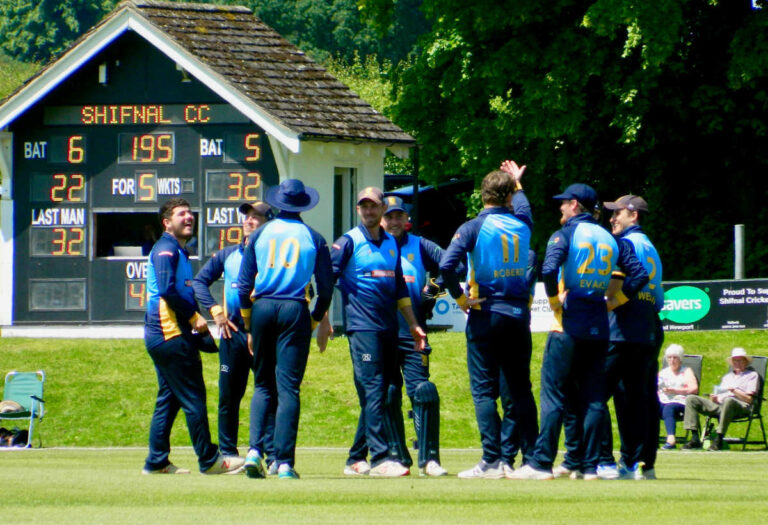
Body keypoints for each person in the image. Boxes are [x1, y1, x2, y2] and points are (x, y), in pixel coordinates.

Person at [510, 183, 648, 481]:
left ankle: (541, 463)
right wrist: (617, 301)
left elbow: (548, 269)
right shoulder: (613, 239)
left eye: (563, 203)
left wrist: (554, 302)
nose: (559, 207)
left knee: (554, 396)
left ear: (575, 205)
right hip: (599, 325)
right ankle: (587, 466)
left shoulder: (566, 233)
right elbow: (640, 274)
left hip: (568, 323)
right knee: (593, 398)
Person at [440, 162, 539, 479]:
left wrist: (460, 299)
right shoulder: (522, 223)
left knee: (484, 392)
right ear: (508, 197)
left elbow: (446, 266)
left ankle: (493, 461)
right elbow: (524, 207)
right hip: (518, 314)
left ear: (481, 195)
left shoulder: (472, 227)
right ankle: (534, 460)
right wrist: (518, 183)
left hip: (486, 313)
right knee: (520, 389)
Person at [236, 179, 334, 479]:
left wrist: (248, 320)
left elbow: (243, 284)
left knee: (263, 384)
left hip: (263, 306)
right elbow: (327, 287)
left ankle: (254, 451)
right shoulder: (313, 237)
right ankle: (284, 462)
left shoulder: (262, 233)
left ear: (279, 202)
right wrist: (315, 318)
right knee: (288, 387)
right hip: (294, 308)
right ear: (304, 204)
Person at [142, 198, 245, 475]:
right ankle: (209, 460)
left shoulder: (179, 251)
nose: (188, 217)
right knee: (194, 397)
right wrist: (193, 317)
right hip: (170, 334)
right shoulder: (166, 249)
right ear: (167, 223)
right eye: (181, 214)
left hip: (166, 335)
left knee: (170, 397)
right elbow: (166, 289)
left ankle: (156, 461)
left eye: (190, 213)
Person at [332, 186, 427, 477]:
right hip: (363, 328)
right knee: (374, 389)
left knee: (378, 392)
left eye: (373, 206)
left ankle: (355, 458)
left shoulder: (390, 244)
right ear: (358, 210)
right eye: (364, 206)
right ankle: (381, 457)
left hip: (388, 328)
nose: (369, 211)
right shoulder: (349, 241)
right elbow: (327, 278)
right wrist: (322, 319)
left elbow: (399, 287)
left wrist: (413, 324)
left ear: (383, 209)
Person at [192, 201, 277, 470]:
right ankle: (228, 451)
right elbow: (198, 283)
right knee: (229, 395)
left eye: (256, 217)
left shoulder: (271, 256)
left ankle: (271, 452)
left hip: (263, 333)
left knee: (269, 393)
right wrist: (215, 311)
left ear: (268, 224)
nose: (249, 221)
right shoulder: (227, 255)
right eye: (247, 217)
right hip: (233, 333)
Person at [596, 194, 665, 480]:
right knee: (640, 398)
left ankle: (603, 461)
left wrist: (609, 301)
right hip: (649, 327)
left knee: (593, 393)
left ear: (633, 215)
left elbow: (613, 285)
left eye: (617, 213)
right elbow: (659, 299)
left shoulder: (623, 244)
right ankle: (641, 464)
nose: (612, 219)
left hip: (623, 326)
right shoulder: (651, 247)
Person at [379, 195, 448, 477]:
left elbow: (452, 265)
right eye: (389, 216)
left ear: (407, 220)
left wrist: (431, 292)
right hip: (381, 331)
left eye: (399, 216)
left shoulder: (420, 245)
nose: (394, 222)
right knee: (386, 392)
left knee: (423, 391)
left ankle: (429, 458)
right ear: (381, 219)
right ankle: (396, 456)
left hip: (414, 332)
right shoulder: (373, 246)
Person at [682, 347, 759, 451]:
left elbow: (749, 399)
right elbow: (719, 395)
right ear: (732, 362)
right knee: (691, 399)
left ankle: (718, 439)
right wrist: (714, 398)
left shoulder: (752, 375)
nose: (737, 363)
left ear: (745, 362)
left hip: (740, 405)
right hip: (721, 404)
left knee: (729, 400)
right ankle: (695, 438)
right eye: (735, 361)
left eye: (740, 360)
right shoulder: (727, 377)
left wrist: (734, 391)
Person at [657, 344, 698, 449]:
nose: (672, 360)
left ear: (680, 359)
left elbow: (694, 389)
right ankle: (650, 440)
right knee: (650, 406)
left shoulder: (686, 371)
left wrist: (675, 390)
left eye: (675, 357)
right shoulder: (663, 373)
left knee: (669, 408)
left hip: (682, 401)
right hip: (664, 399)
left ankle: (671, 440)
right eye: (669, 358)